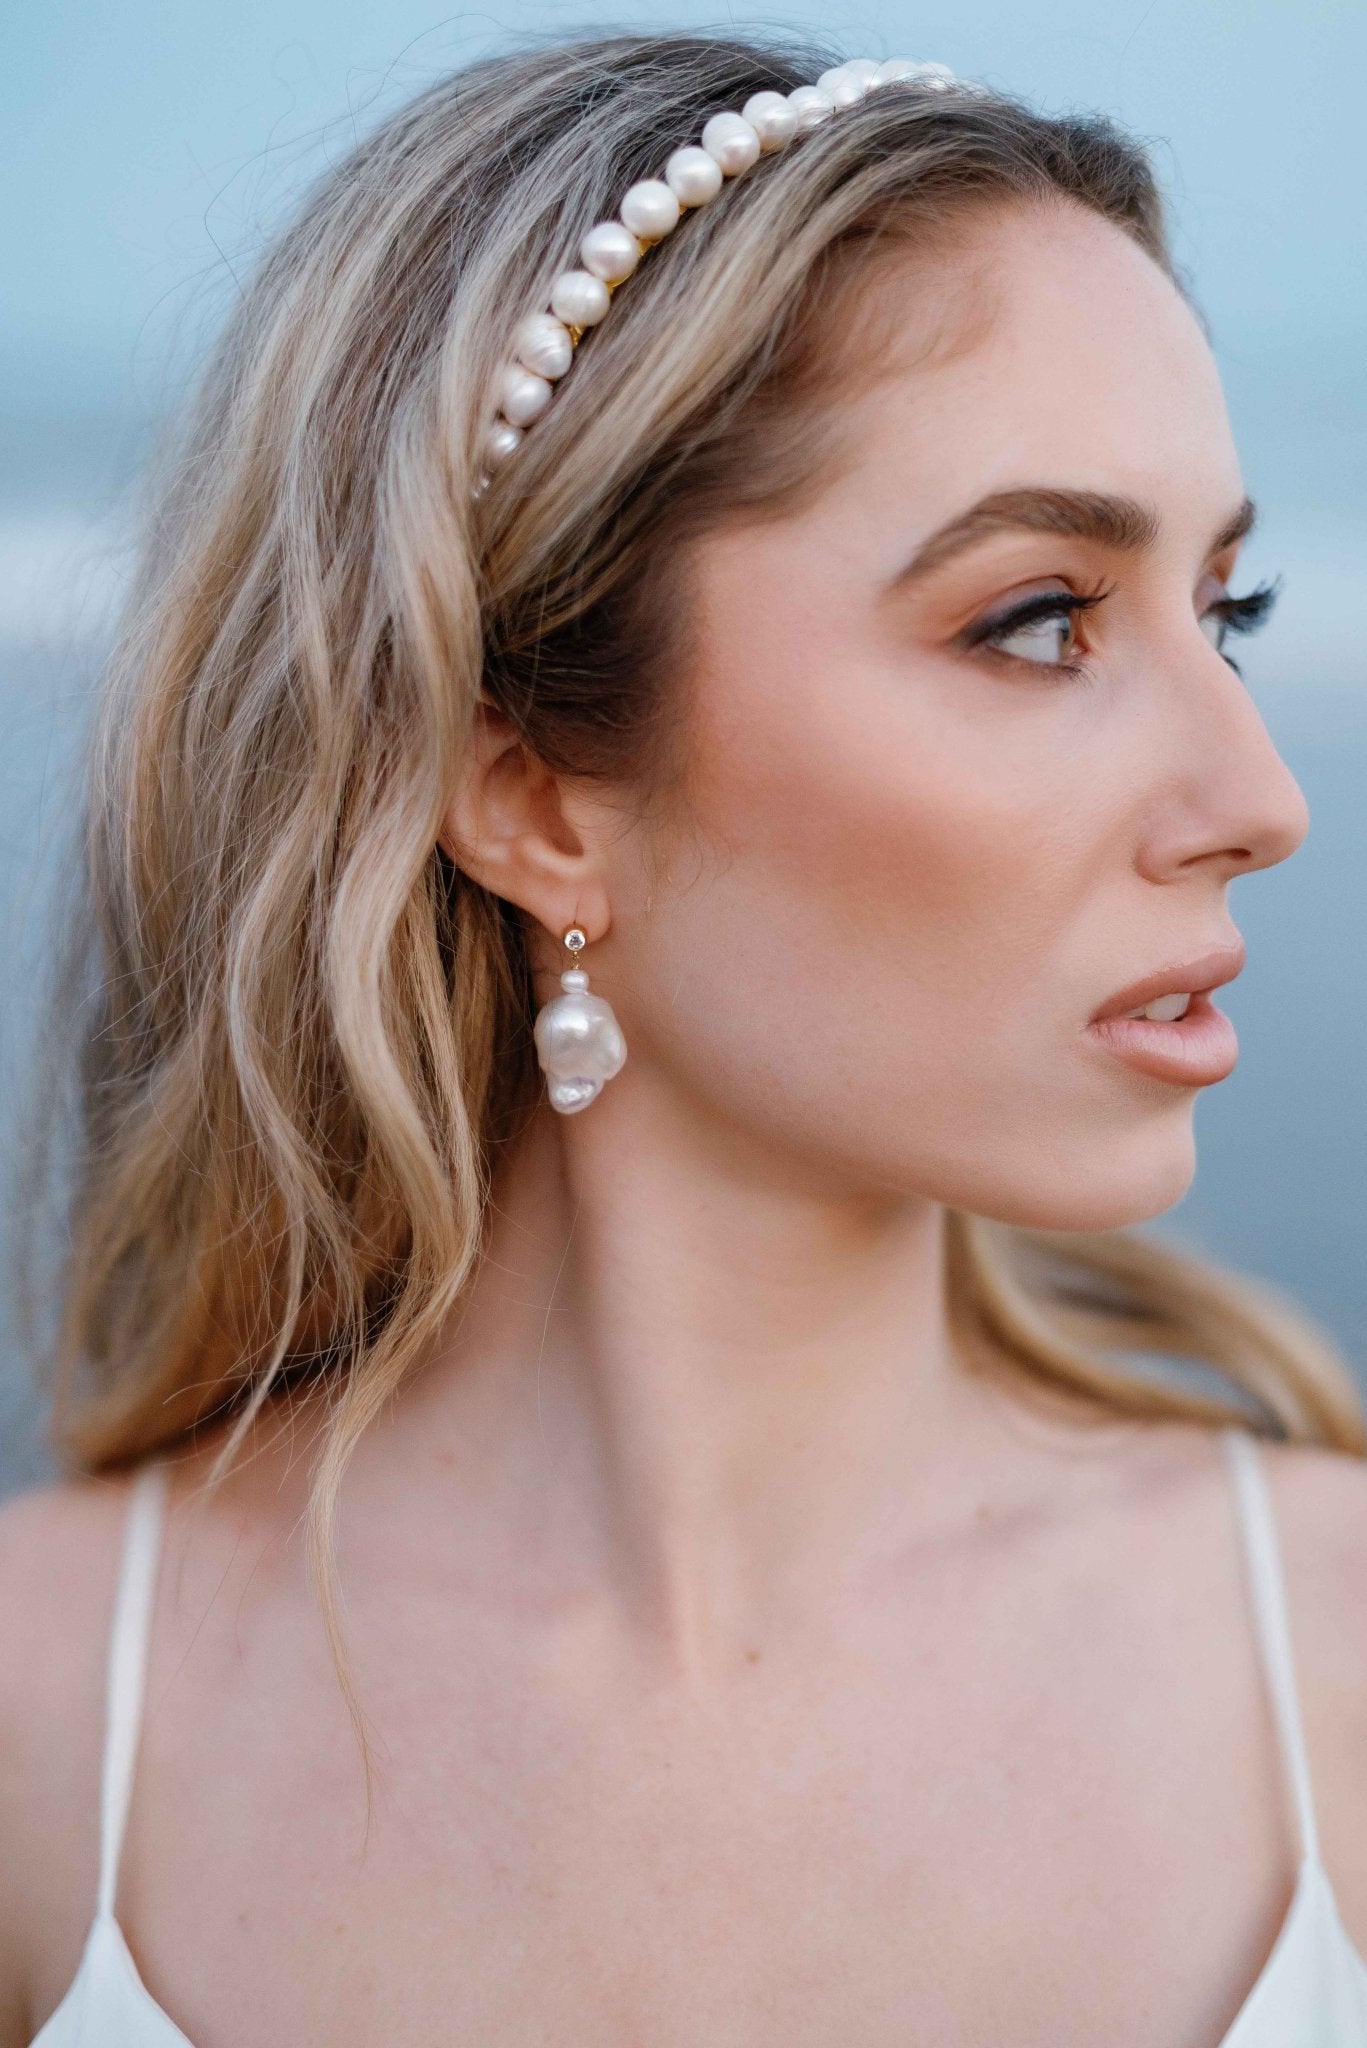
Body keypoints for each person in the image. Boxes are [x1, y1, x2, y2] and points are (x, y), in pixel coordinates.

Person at [2, 27, 1366, 2047]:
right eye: (1041, 620)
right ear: (540, 795)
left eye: (1224, 614)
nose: (1261, 795)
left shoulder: (1335, 1670)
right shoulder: (46, 1729)